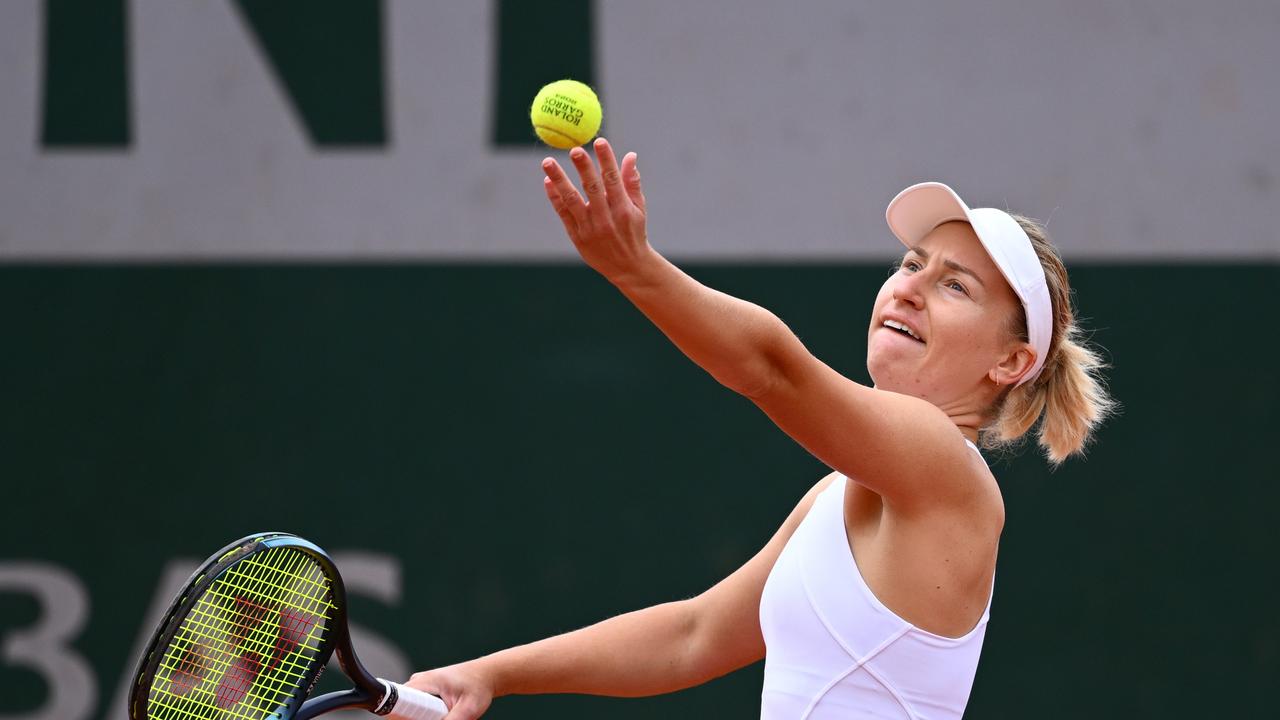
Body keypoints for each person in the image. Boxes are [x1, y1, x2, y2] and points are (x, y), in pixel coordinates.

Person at [407, 138, 1116, 719]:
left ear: (1012, 360)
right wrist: (489, 673)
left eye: (954, 285)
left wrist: (637, 269)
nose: (909, 287)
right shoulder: (833, 497)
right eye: (910, 263)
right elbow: (693, 636)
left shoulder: (946, 467)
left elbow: (771, 368)